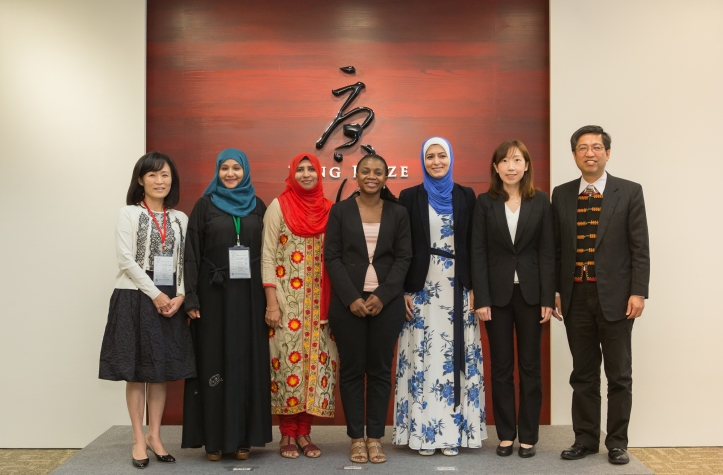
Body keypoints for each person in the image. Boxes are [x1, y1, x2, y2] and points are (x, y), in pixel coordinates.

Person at [552, 126, 649, 465]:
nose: (589, 153)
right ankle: (585, 440)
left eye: (596, 147)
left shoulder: (629, 192)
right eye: (582, 148)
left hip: (618, 298)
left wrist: (639, 292)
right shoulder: (561, 194)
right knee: (583, 374)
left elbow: (640, 248)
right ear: (575, 154)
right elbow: (556, 249)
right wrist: (556, 290)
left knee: (619, 375)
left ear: (608, 153)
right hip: (576, 296)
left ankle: (618, 442)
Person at [99, 152, 195, 469]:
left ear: (172, 180)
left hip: (170, 298)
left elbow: (185, 262)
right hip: (135, 295)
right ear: (140, 180)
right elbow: (126, 259)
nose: (159, 181)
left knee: (160, 371)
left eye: (165, 175)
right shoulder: (128, 214)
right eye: (152, 175)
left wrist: (180, 295)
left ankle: (155, 436)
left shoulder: (180, 219)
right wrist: (155, 294)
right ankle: (138, 439)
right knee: (138, 370)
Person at [392, 137, 486, 456]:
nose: (435, 161)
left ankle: (452, 434)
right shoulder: (409, 196)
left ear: (451, 158)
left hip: (458, 288)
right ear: (422, 160)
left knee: (453, 359)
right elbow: (402, 247)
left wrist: (475, 289)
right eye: (429, 156)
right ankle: (424, 434)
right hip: (422, 288)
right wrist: (404, 289)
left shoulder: (465, 196)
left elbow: (474, 244)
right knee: (425, 357)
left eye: (441, 155)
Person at [181, 148, 272, 460]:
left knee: (246, 361)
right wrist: (191, 297)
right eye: (224, 169)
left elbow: (270, 252)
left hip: (250, 296)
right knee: (214, 363)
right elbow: (190, 254)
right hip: (213, 296)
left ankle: (243, 437)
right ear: (217, 172)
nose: (231, 174)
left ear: (245, 171)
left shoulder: (258, 206)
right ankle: (215, 440)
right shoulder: (204, 206)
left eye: (236, 168)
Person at [324, 154, 412, 464]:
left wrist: (384, 295)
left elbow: (404, 258)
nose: (371, 176)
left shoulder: (399, 213)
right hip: (348, 303)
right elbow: (332, 257)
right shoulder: (340, 211)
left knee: (379, 371)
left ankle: (375, 438)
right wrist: (351, 297)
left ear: (386, 178)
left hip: (385, 304)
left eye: (378, 172)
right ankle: (356, 438)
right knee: (351, 371)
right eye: (365, 171)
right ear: (356, 175)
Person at [471, 140, 555, 458]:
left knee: (531, 367)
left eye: (516, 160)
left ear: (526, 165)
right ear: (496, 168)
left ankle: (528, 436)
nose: (510, 166)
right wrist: (481, 298)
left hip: (532, 296)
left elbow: (548, 253)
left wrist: (548, 296)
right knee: (502, 367)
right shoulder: (485, 202)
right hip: (497, 297)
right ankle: (506, 435)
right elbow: (477, 252)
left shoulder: (540, 201)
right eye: (504, 161)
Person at [261, 153, 339, 459]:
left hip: (322, 306)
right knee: (287, 366)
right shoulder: (278, 206)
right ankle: (286, 434)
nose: (306, 174)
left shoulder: (330, 210)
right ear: (292, 173)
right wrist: (271, 303)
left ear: (319, 174)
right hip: (287, 305)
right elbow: (267, 256)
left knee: (315, 367)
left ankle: (304, 433)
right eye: (300, 169)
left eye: (311, 169)